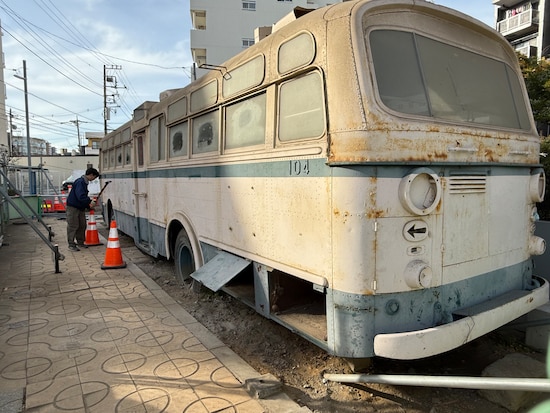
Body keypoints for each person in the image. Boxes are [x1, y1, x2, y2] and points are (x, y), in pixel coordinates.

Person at [66, 167, 100, 251]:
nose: (93, 179)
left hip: (79, 207)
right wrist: (89, 202)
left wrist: (88, 206)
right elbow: (80, 196)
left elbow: (81, 197)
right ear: (91, 175)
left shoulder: (83, 182)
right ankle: (71, 244)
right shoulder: (80, 182)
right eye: (94, 177)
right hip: (73, 207)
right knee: (73, 225)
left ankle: (80, 242)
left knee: (82, 225)